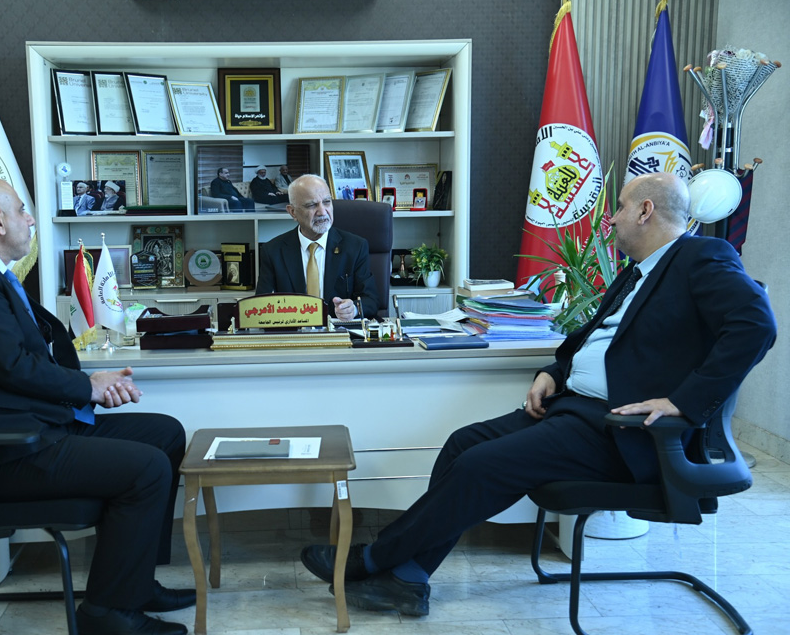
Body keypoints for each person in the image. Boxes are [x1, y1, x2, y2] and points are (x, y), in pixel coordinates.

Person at [299, 172, 777, 617]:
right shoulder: (637, 272)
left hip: (621, 430)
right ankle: (409, 576)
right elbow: (596, 340)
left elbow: (756, 325)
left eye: (619, 207)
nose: (611, 219)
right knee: (463, 443)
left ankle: (372, 559)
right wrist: (554, 371)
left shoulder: (701, 258)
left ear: (645, 210)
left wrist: (682, 403)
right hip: (572, 409)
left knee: (479, 466)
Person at [0, 176, 194, 635]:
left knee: (163, 434)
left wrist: (90, 385)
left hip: (35, 423)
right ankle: (108, 614)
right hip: (1, 449)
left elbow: (27, 358)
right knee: (146, 469)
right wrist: (88, 387)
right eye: (22, 211)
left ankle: (135, 583)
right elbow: (12, 367)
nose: (30, 221)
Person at [255, 174, 379, 320]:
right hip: (295, 331)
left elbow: (370, 300)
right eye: (311, 205)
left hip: (339, 331)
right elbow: (261, 306)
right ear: (293, 212)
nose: (322, 212)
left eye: (327, 202)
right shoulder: (273, 251)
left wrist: (354, 309)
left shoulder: (355, 247)